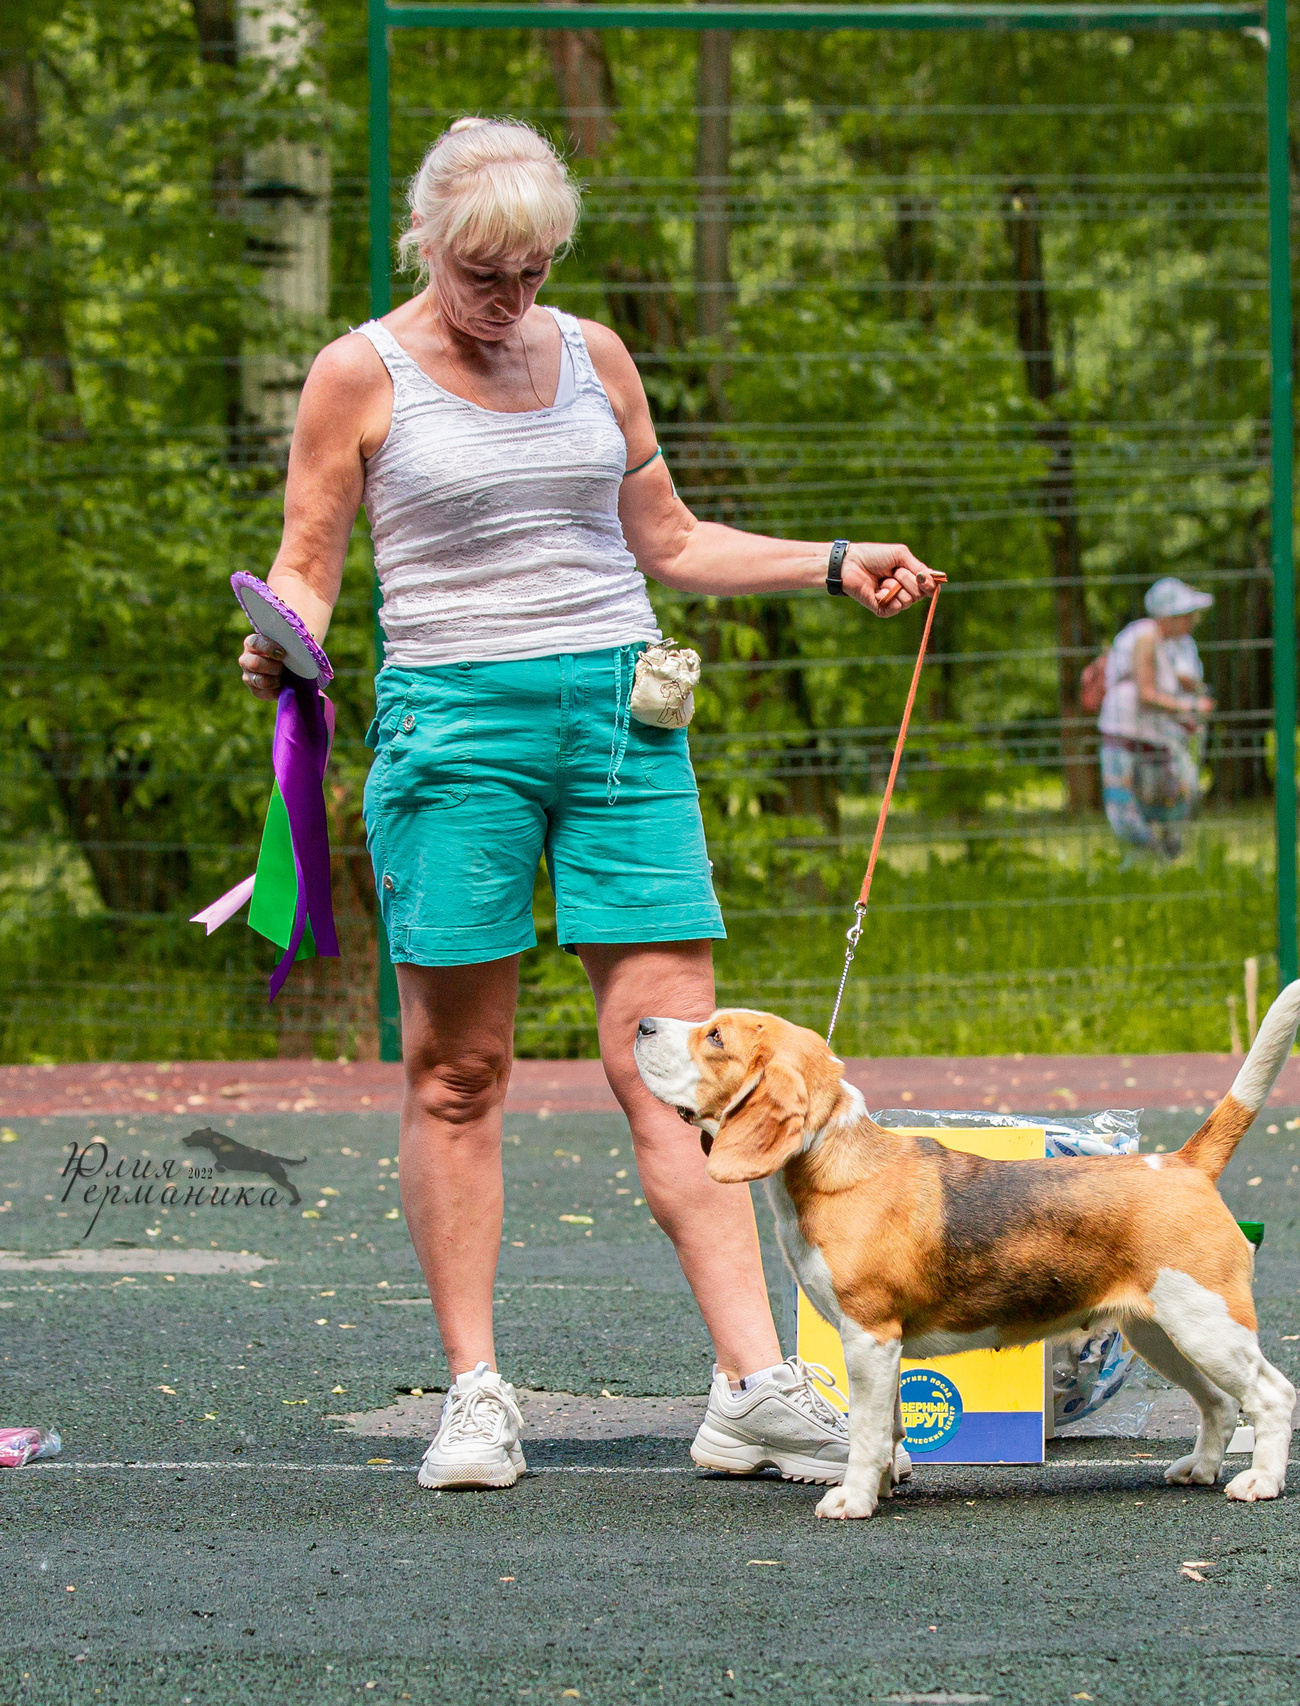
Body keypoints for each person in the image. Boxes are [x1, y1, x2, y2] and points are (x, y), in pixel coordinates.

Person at [235, 117, 944, 1491]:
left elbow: (667, 539)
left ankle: (754, 1385)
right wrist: (282, 638)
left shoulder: (594, 355)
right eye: (484, 274)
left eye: (535, 272)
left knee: (681, 1067)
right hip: (457, 733)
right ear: (428, 243)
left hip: (624, 724)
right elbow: (308, 568)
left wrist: (834, 558)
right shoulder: (356, 374)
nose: (510, 302)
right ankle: (478, 1392)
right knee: (459, 1073)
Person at [1098, 577, 1216, 859]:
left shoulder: (1165, 642)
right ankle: (1154, 858)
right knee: (1128, 813)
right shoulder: (1147, 637)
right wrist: (1188, 709)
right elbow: (1146, 694)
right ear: (1169, 616)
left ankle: (1157, 863)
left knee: (1167, 802)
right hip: (1126, 733)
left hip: (1150, 735)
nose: (1193, 621)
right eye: (1187, 615)